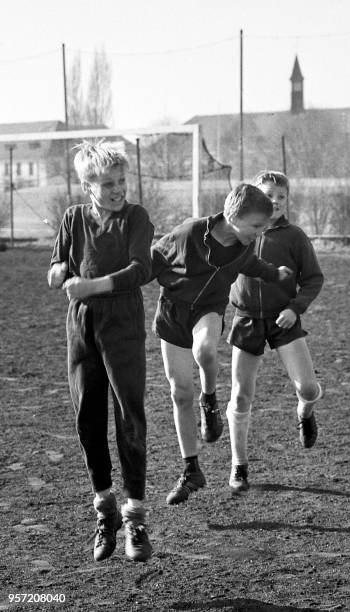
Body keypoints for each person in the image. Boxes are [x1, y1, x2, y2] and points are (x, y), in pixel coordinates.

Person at [151, 183, 292, 505]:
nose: (260, 234)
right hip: (172, 313)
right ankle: (191, 470)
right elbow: (152, 260)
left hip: (208, 310)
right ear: (232, 216)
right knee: (178, 392)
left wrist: (276, 274)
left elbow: (252, 267)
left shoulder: (244, 246)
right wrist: (123, 281)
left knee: (204, 350)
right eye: (256, 226)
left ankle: (210, 399)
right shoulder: (189, 232)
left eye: (264, 228)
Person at [48, 141, 154, 562]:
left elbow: (140, 270)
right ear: (87, 184)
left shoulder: (136, 217)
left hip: (123, 325)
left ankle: (136, 518)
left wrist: (91, 286)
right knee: (87, 419)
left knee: (130, 419)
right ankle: (105, 507)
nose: (117, 189)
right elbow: (57, 265)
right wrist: (58, 273)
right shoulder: (73, 218)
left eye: (121, 181)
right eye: (107, 183)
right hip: (82, 330)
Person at [226, 171, 324, 493]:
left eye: (281, 196)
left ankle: (304, 413)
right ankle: (239, 466)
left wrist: (294, 309)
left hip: (284, 321)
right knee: (241, 395)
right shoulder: (239, 233)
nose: (276, 201)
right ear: (255, 197)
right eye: (269, 195)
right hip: (246, 320)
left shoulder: (294, 236)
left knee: (308, 388)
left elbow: (313, 279)